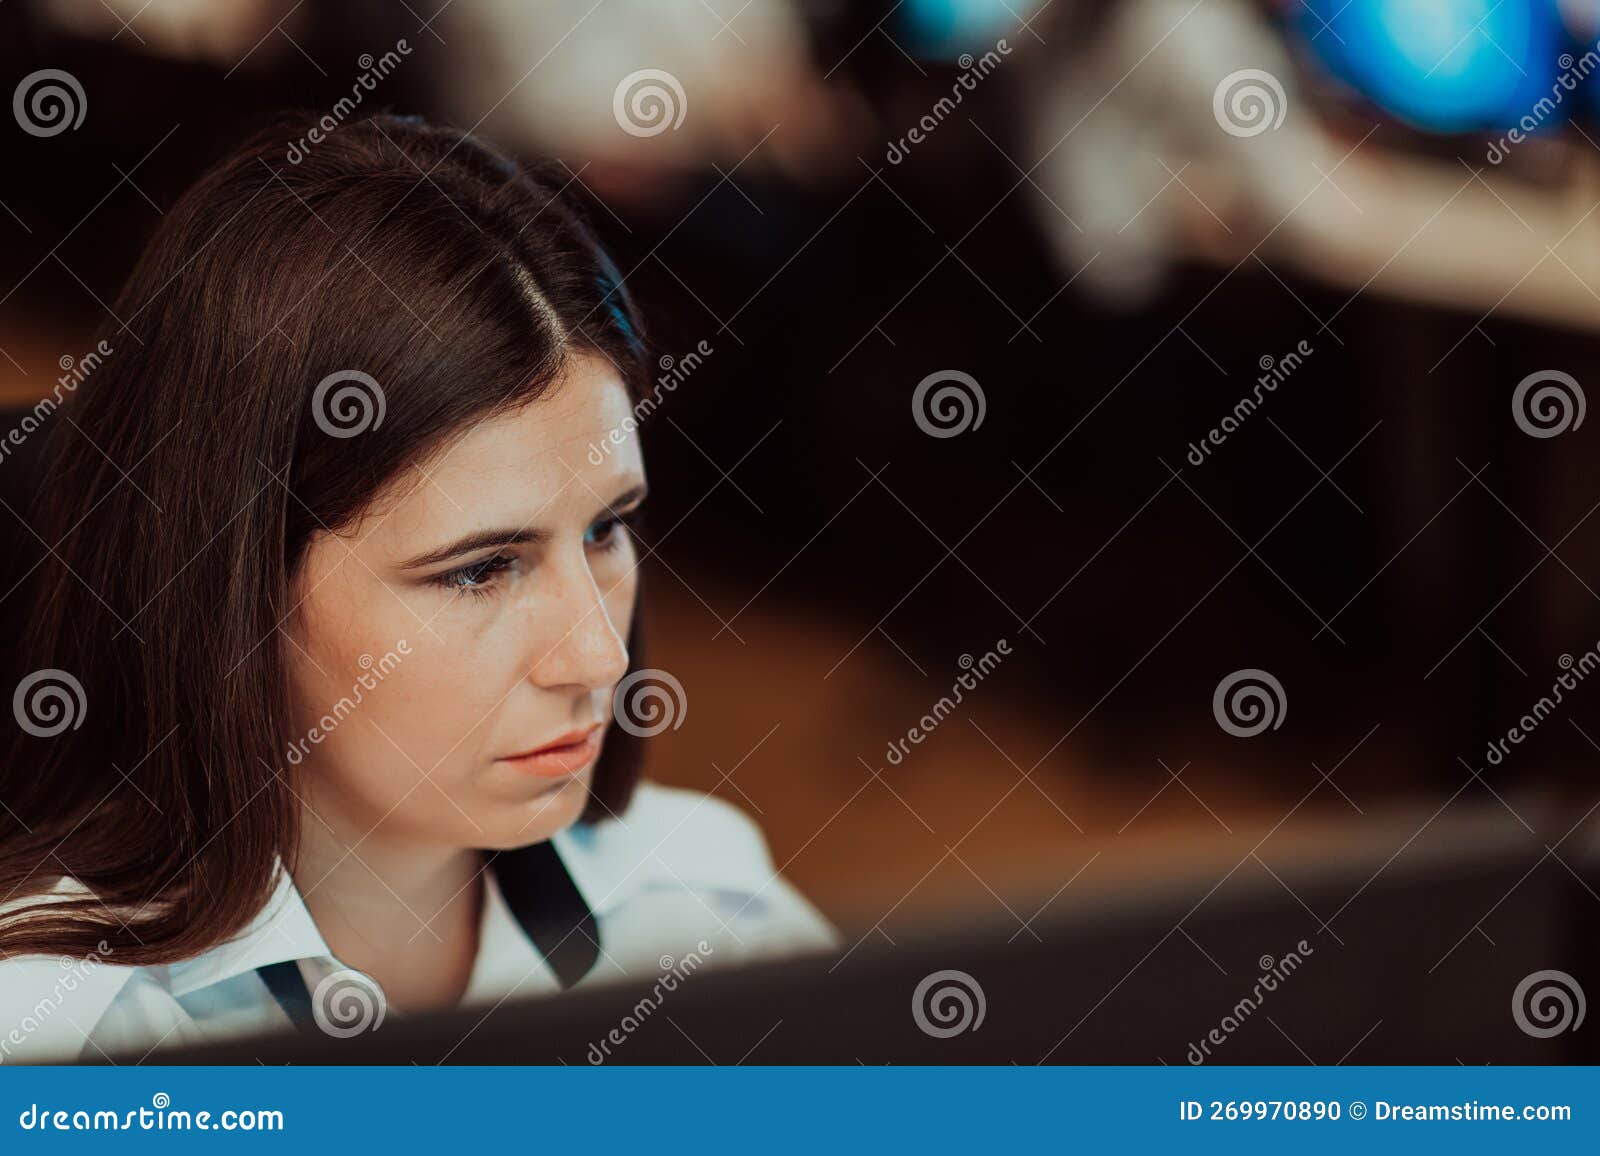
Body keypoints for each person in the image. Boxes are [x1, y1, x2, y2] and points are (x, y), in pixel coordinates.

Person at [0, 112, 835, 1063]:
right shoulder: (64, 1041)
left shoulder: (703, 901)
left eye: (606, 530)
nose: (599, 655)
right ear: (231, 583)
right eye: (481, 569)